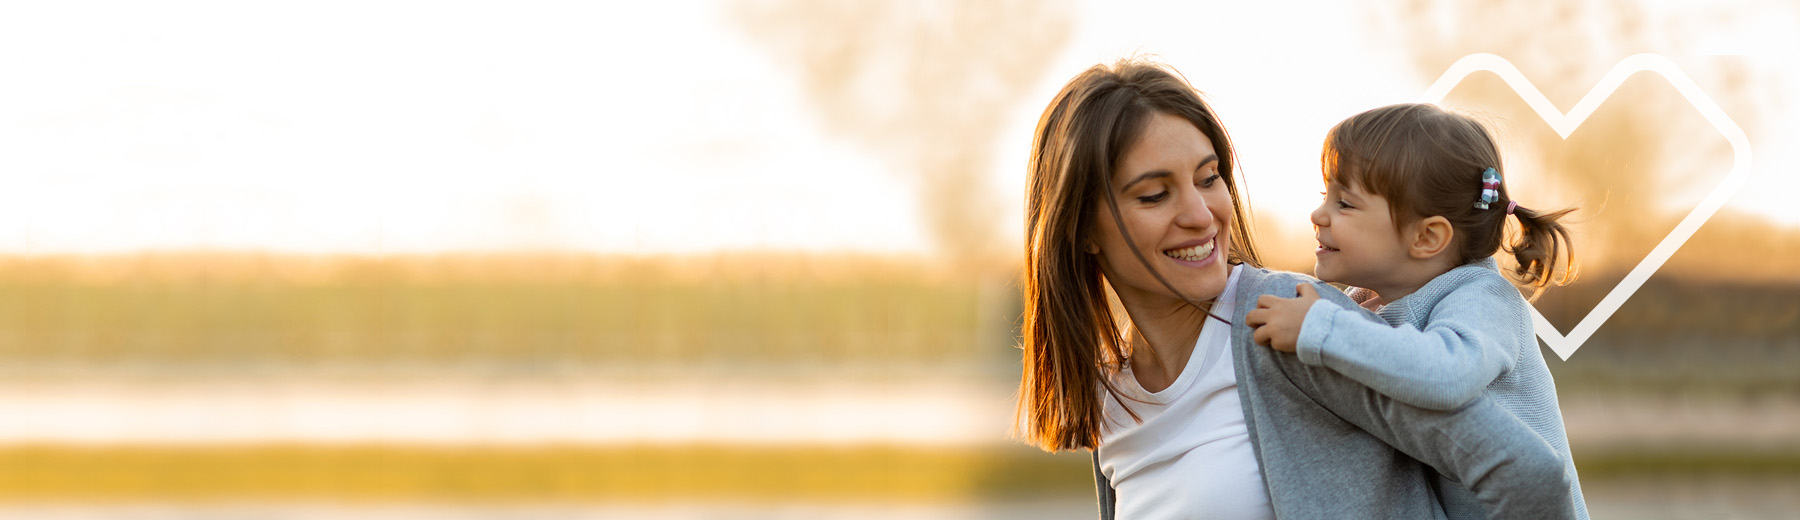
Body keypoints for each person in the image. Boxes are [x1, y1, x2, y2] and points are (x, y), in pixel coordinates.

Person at [1013, 58, 1577, 519]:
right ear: (1082, 228)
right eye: (1154, 195)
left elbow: (1530, 477)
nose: (1201, 214)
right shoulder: (1113, 398)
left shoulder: (1296, 325)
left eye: (1210, 179)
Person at [1245, 103, 1588, 519]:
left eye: (1345, 204)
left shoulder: (1483, 297)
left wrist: (1322, 327)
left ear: (1426, 237)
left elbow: (1445, 375)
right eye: (1325, 196)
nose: (1319, 215)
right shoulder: (1371, 299)